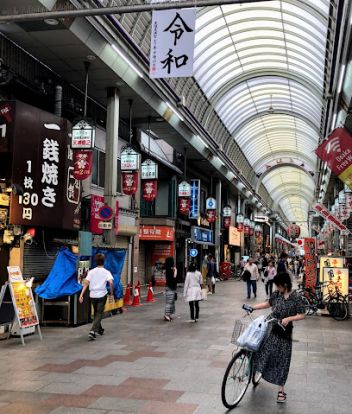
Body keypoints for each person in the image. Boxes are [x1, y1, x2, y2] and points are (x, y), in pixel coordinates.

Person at [247, 272, 306, 403]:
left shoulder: (296, 297)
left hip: (284, 332)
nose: (277, 289)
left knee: (282, 360)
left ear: (285, 285)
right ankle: (256, 371)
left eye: (278, 287)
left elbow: (302, 314)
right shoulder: (277, 294)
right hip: (271, 327)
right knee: (262, 350)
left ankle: (281, 391)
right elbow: (267, 303)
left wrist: (289, 318)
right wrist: (253, 307)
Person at [79, 253, 114, 341]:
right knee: (99, 313)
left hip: (92, 295)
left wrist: (81, 294)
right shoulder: (106, 272)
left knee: (96, 313)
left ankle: (100, 329)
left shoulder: (91, 272)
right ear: (104, 261)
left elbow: (86, 283)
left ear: (95, 261)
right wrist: (112, 293)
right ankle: (92, 331)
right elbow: (111, 282)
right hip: (102, 295)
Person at [164, 256, 177, 321]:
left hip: (169, 287)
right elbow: (173, 279)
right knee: (169, 302)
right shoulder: (169, 270)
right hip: (170, 288)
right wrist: (175, 272)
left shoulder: (168, 269)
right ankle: (166, 315)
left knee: (171, 302)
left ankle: (168, 314)